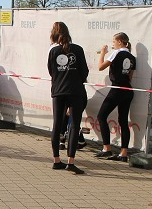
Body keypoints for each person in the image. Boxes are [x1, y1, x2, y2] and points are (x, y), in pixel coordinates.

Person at [48, 21, 89, 174]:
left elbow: (51, 71)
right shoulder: (78, 49)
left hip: (58, 90)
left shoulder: (53, 51)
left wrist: (61, 77)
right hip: (76, 91)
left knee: (57, 124)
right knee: (74, 125)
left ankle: (56, 160)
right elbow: (85, 72)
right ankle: (71, 162)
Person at [95, 32, 137, 162]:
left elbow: (101, 67)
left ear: (119, 42)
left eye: (114, 41)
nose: (113, 44)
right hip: (127, 90)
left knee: (101, 116)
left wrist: (102, 53)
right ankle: (123, 153)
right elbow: (130, 77)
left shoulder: (116, 53)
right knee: (123, 120)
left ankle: (106, 148)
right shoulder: (132, 57)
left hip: (117, 89)